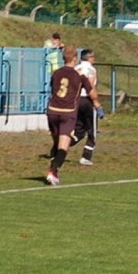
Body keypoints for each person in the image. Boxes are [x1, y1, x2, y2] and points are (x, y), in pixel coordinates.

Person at [45, 45, 97, 186]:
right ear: (75, 58)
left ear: (63, 58)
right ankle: (53, 171)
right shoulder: (79, 76)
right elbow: (92, 93)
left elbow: (53, 88)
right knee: (63, 146)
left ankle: (53, 166)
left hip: (52, 111)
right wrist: (97, 103)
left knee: (56, 143)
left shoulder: (56, 73)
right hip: (67, 113)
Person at [71, 48, 104, 166]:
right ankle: (86, 157)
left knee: (79, 128)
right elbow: (90, 86)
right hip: (87, 100)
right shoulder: (91, 69)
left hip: (75, 100)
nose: (94, 59)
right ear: (89, 58)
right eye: (93, 57)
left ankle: (61, 147)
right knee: (92, 130)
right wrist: (96, 103)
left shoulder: (75, 68)